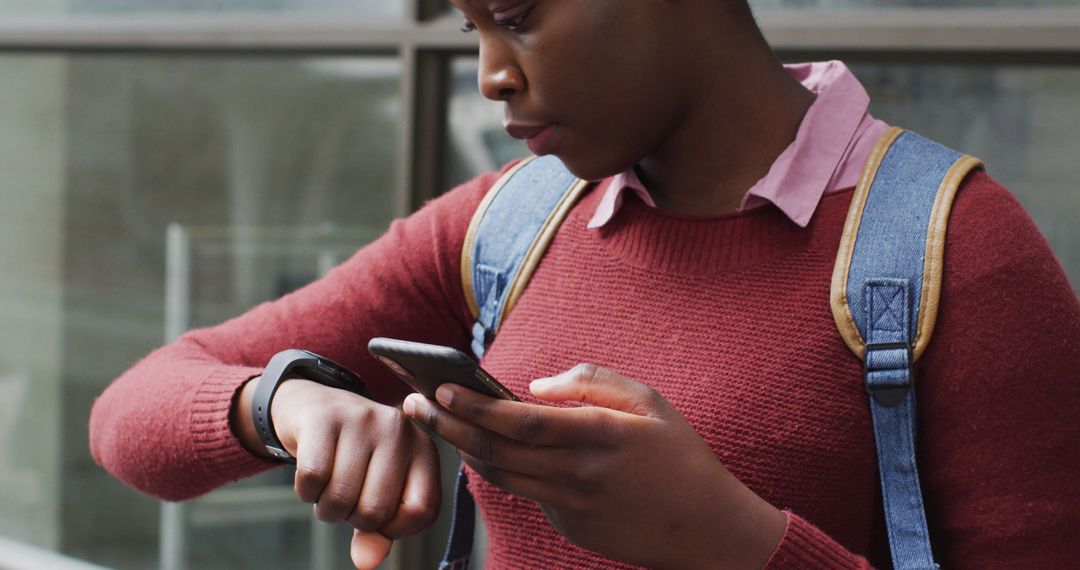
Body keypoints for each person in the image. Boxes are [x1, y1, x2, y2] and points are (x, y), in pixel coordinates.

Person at [90, 1, 1080, 568]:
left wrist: (736, 541)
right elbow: (131, 420)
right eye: (470, 22)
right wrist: (285, 403)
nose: (487, 73)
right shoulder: (512, 224)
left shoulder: (950, 249)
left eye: (516, 16)